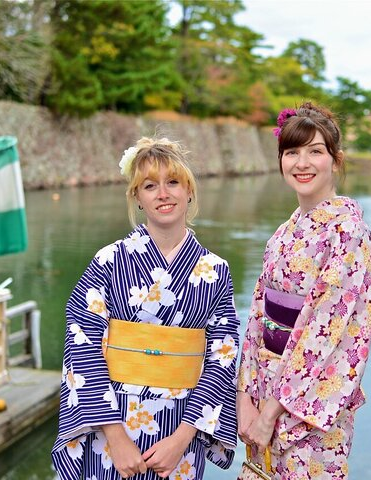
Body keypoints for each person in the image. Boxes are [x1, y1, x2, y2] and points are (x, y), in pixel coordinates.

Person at [51, 137, 239, 480]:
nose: (162, 194)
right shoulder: (108, 261)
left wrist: (183, 438)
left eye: (173, 183)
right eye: (150, 186)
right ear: (137, 197)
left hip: (182, 428)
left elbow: (222, 357)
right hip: (111, 423)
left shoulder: (215, 270)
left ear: (189, 191)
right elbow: (82, 345)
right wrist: (116, 437)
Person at [237, 102, 371, 479]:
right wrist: (245, 399)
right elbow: (257, 316)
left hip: (310, 405)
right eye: (292, 153)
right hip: (265, 394)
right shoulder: (285, 232)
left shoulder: (348, 233)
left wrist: (271, 411)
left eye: (315, 151)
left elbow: (327, 331)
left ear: (335, 160)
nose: (302, 163)